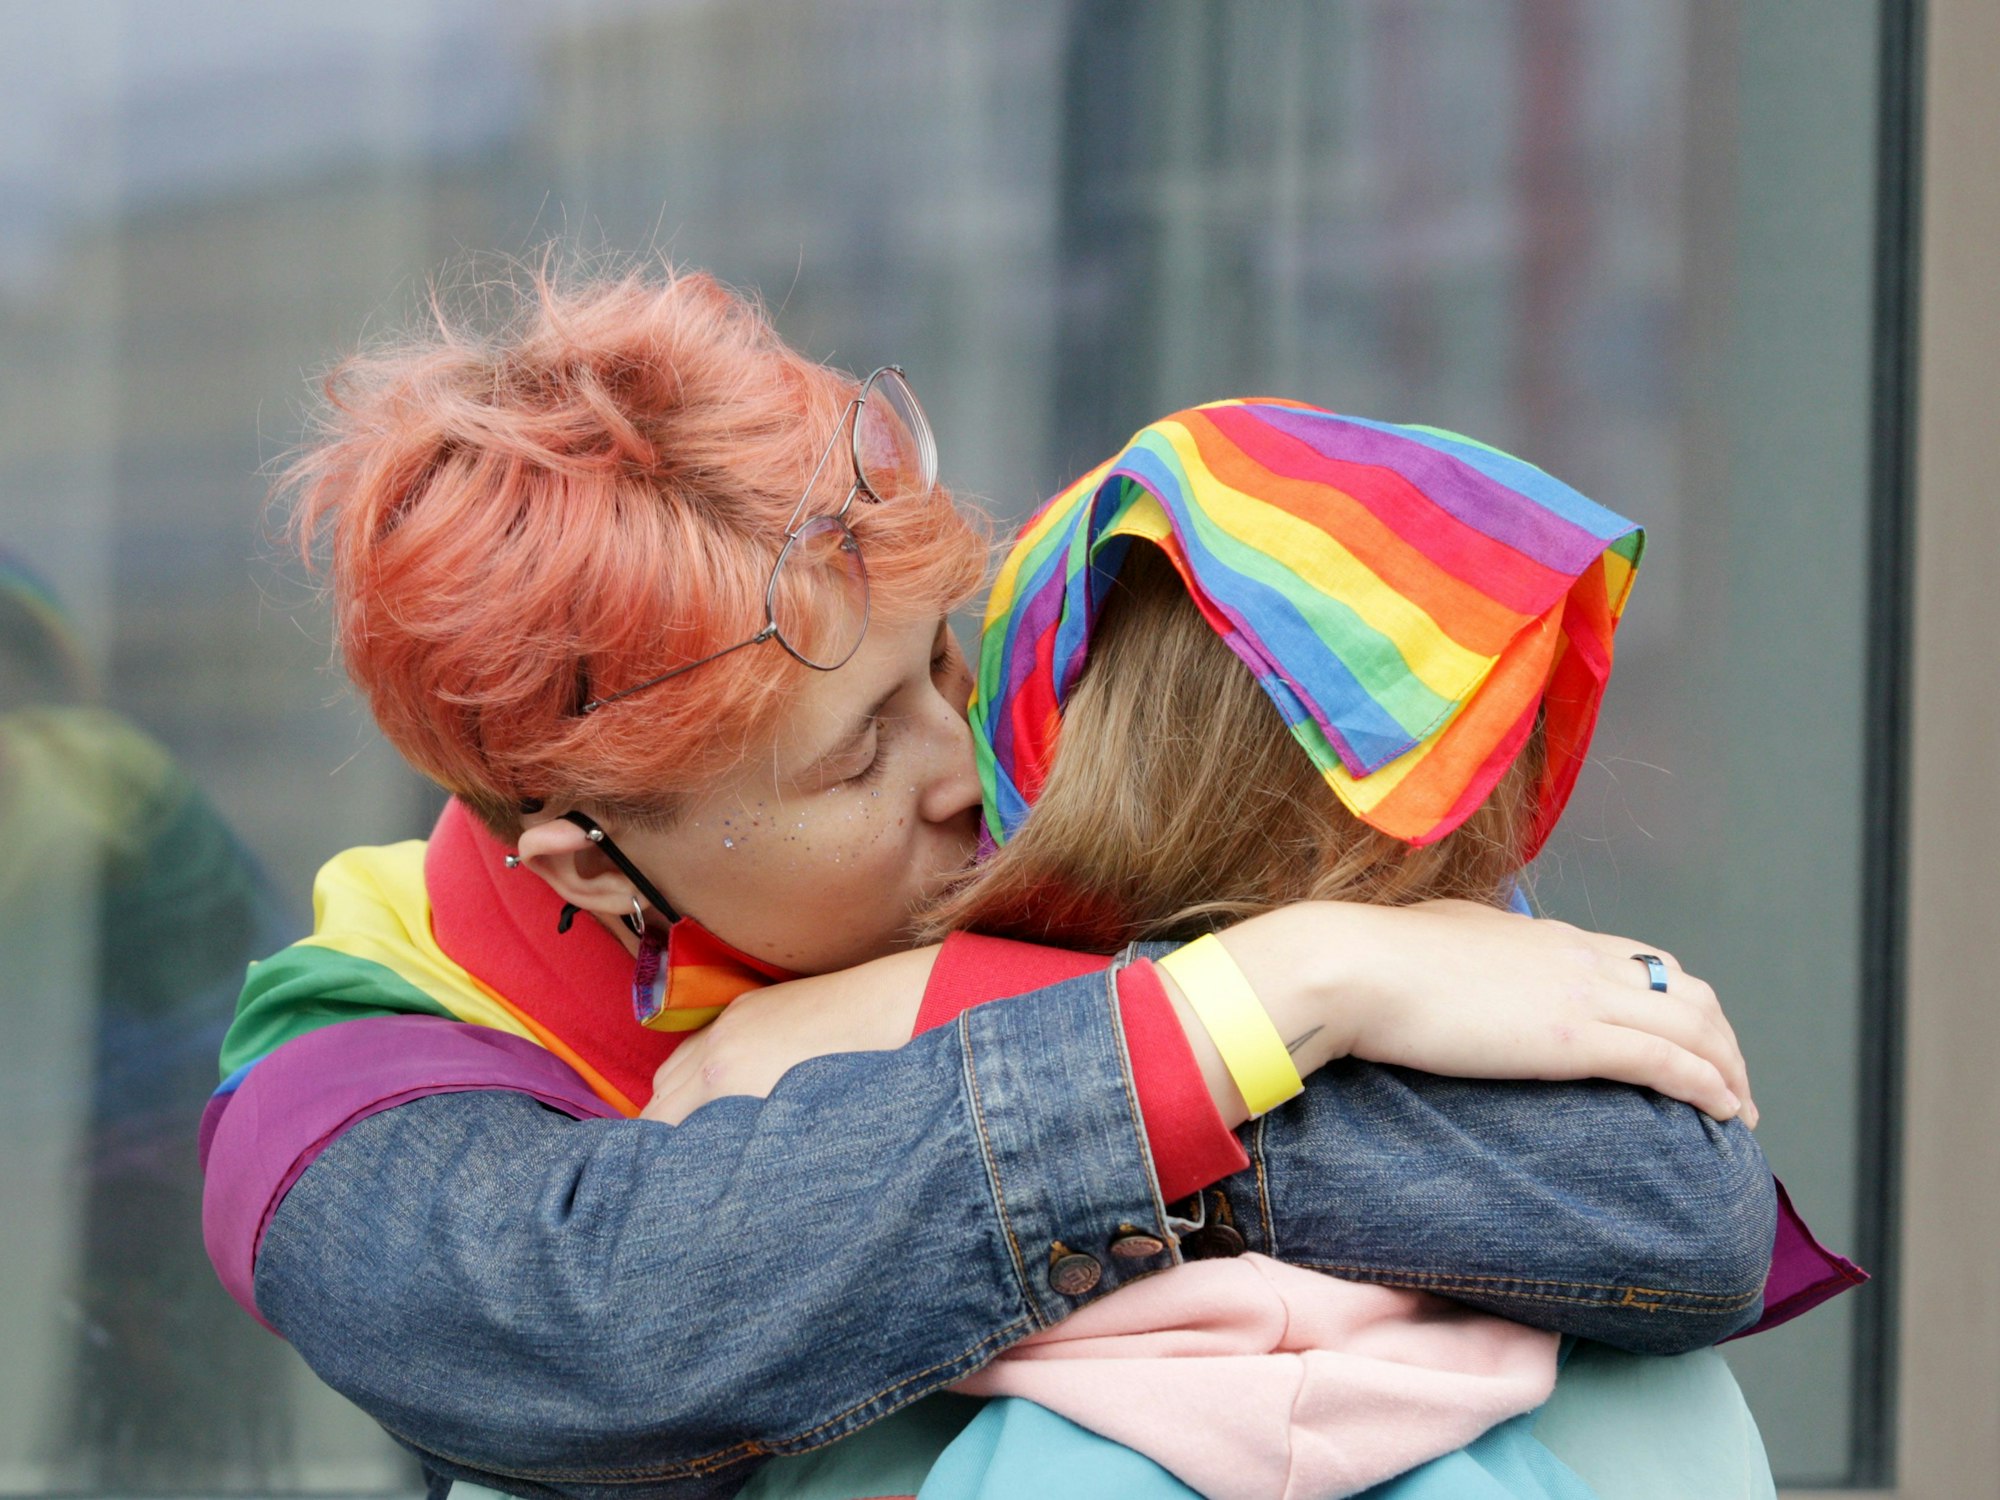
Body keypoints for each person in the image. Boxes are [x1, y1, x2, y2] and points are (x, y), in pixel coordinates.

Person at [200, 265, 1793, 1500]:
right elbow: (604, 1323)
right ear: (592, 864)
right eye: (851, 760)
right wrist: (1281, 995)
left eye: (942, 663)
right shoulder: (343, 1076)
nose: (961, 762)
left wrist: (950, 1004)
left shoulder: (1068, 765)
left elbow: (1672, 1203)